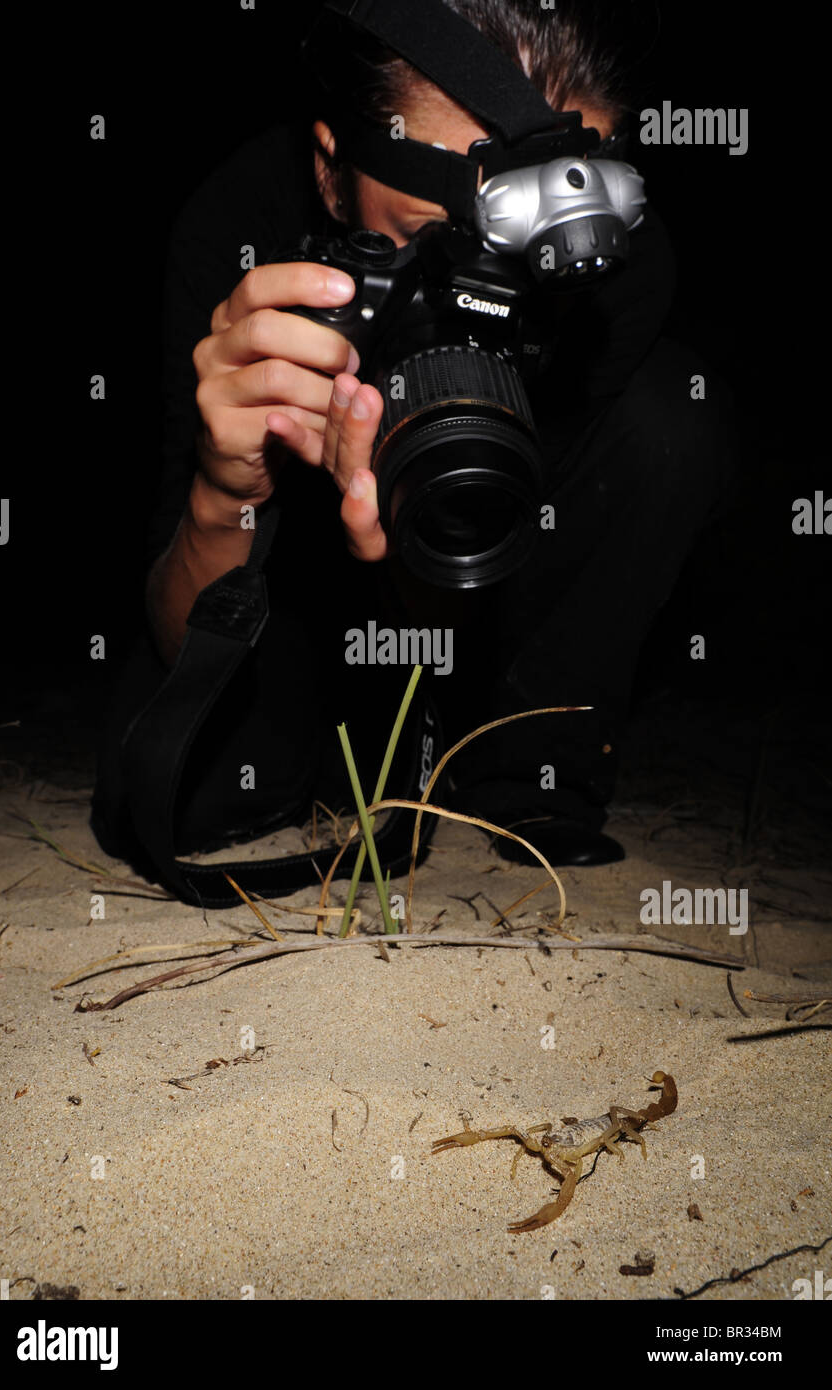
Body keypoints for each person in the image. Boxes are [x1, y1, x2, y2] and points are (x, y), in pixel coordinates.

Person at [90, 0, 737, 891]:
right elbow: (173, 633)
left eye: (527, 251)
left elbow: (506, 558)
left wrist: (417, 538)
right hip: (299, 579)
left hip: (489, 578)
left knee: (669, 418)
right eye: (426, 244)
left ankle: (528, 775)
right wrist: (222, 488)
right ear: (331, 171)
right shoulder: (239, 225)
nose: (479, 285)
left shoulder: (624, 267)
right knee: (208, 797)